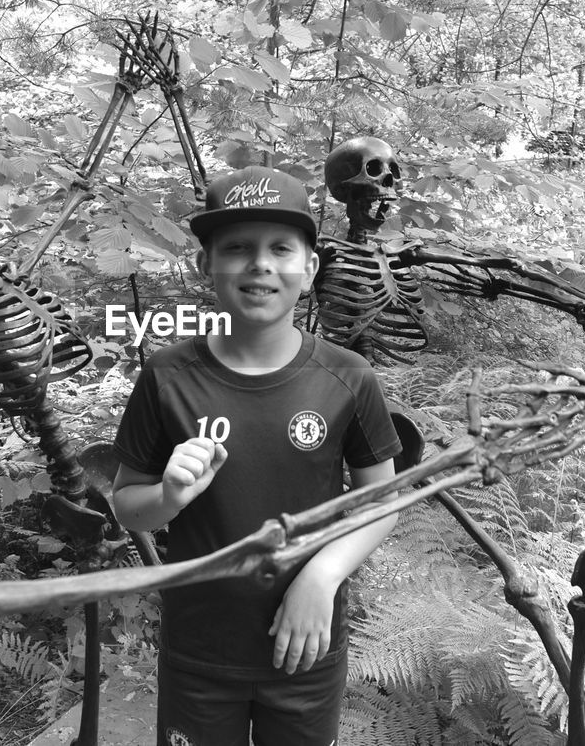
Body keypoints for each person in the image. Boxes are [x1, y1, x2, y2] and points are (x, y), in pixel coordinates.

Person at [111, 166, 403, 746]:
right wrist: (169, 496)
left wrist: (321, 576)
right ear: (206, 266)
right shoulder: (168, 378)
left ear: (309, 267)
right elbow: (128, 506)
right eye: (238, 248)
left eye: (280, 248)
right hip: (199, 650)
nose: (260, 263)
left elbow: (384, 502)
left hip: (305, 648)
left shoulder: (347, 377)